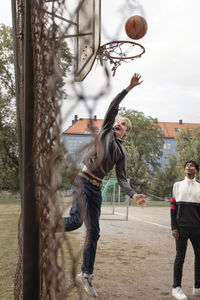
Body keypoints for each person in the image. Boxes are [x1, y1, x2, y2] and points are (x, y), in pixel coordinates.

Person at [64, 73, 147, 297]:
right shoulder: (106, 131)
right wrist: (128, 88)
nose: (118, 125)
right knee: (74, 222)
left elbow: (122, 177)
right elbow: (113, 106)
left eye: (123, 126)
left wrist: (133, 195)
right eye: (118, 122)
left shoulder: (122, 152)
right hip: (82, 182)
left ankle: (86, 275)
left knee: (94, 232)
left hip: (96, 189)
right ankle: (43, 224)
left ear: (126, 133)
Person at [171, 160, 200, 300]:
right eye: (187, 165)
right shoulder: (177, 186)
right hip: (181, 229)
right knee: (180, 258)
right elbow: (172, 208)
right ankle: (176, 288)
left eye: (192, 166)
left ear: (196, 171)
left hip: (197, 229)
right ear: (184, 170)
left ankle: (197, 287)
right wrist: (174, 227)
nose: (189, 167)